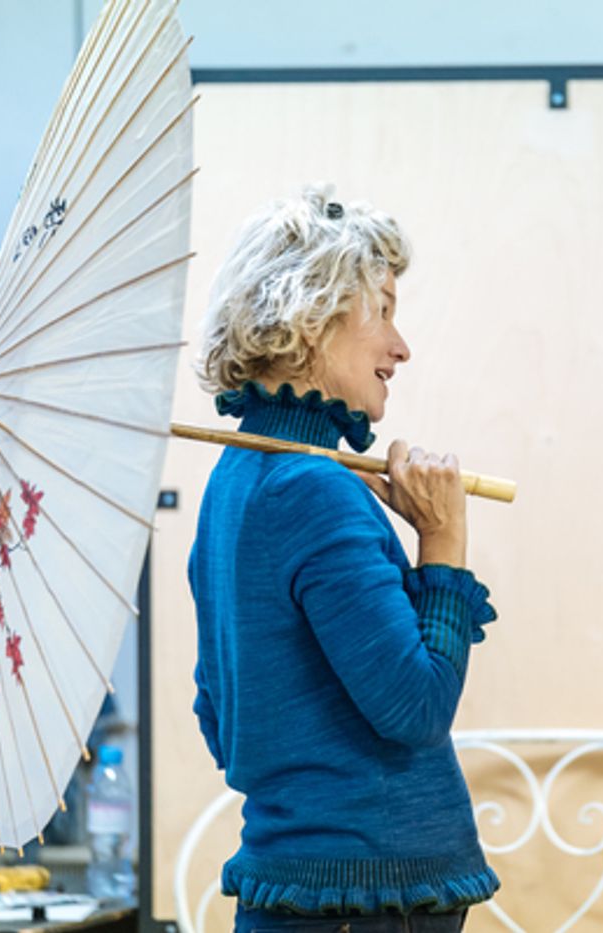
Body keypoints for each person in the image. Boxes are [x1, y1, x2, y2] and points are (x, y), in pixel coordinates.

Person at [189, 187, 499, 933]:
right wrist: (445, 543)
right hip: (367, 897)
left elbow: (219, 716)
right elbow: (417, 707)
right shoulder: (314, 488)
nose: (401, 346)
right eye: (384, 310)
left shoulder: (234, 479)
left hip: (298, 888)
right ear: (312, 318)